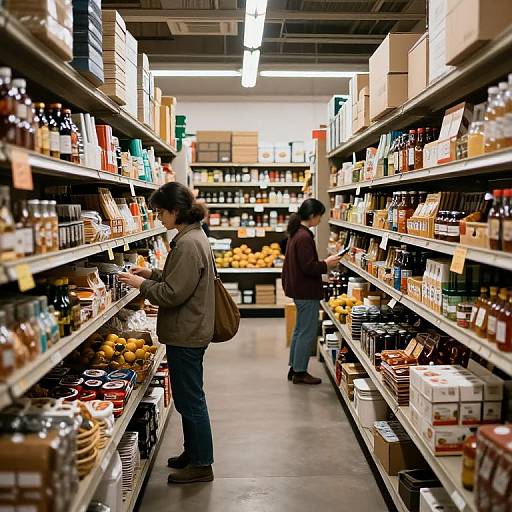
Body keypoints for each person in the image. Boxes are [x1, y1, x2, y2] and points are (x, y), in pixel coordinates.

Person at [119, 182, 216, 484]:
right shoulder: (192, 236)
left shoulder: (188, 244)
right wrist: (152, 274)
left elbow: (173, 294)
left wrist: (141, 286)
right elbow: (180, 279)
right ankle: (193, 452)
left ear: (176, 211)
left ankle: (202, 464)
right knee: (189, 398)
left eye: (161, 212)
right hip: (189, 329)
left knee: (191, 400)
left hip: (186, 333)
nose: (159, 218)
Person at [282, 198, 340, 385]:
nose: (320, 221)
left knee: (299, 330)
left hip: (299, 289)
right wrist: (327, 264)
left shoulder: (295, 233)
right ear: (313, 216)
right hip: (306, 292)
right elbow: (308, 267)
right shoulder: (304, 237)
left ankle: (294, 367)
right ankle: (300, 371)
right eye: (320, 216)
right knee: (307, 332)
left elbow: (300, 266)